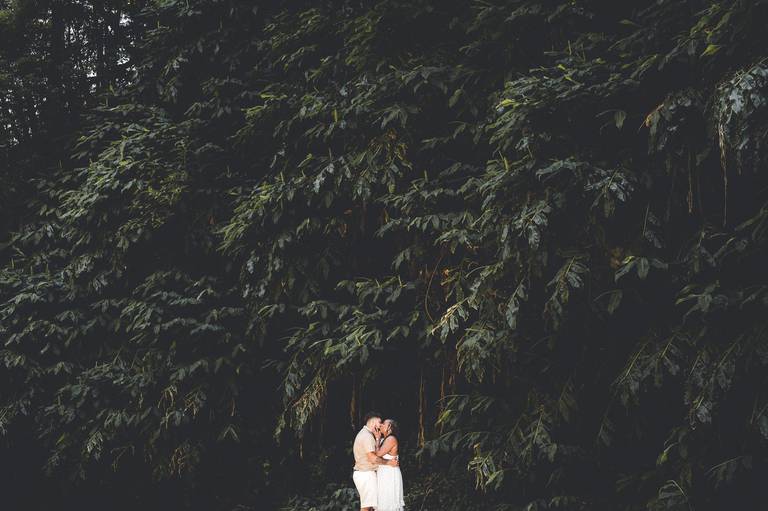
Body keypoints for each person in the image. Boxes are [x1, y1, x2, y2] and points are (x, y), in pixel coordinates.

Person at [352, 411, 399, 511]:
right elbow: (373, 458)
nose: (380, 425)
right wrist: (388, 462)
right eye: (379, 422)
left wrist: (377, 438)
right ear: (373, 422)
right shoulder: (366, 436)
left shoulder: (368, 434)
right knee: (366, 507)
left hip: (368, 474)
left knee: (372, 506)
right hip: (366, 474)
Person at [375, 419, 405, 511]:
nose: (381, 425)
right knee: (384, 500)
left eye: (384, 424)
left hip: (390, 474)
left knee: (389, 501)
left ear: (390, 427)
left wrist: (377, 439)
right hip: (384, 473)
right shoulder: (384, 439)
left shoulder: (391, 439)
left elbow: (378, 454)